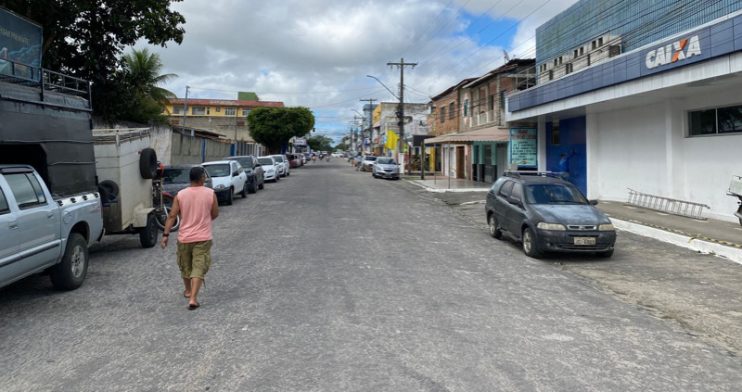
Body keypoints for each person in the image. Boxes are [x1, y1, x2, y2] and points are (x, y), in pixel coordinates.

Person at [161, 166, 219, 310]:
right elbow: (215, 213)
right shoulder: (210, 193)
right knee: (198, 266)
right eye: (204, 176)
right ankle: (193, 298)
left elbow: (172, 216)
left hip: (184, 238)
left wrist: (165, 235)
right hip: (203, 237)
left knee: (186, 266)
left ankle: (188, 291)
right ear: (201, 178)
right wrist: (205, 219)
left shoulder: (180, 195)